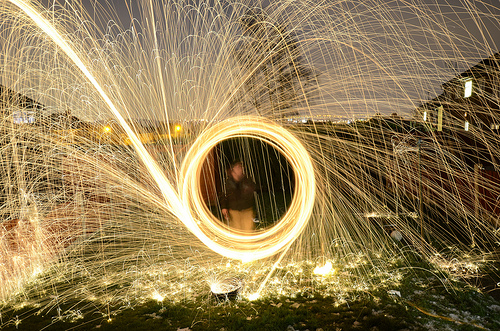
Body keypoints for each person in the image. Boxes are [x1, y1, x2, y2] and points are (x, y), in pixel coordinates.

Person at [220, 160, 256, 232]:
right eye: (238, 167)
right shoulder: (228, 183)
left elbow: (254, 189)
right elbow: (224, 196)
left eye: (241, 167)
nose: (241, 168)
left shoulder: (247, 180)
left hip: (247, 211)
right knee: (236, 231)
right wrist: (224, 207)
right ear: (233, 170)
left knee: (247, 232)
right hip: (234, 211)